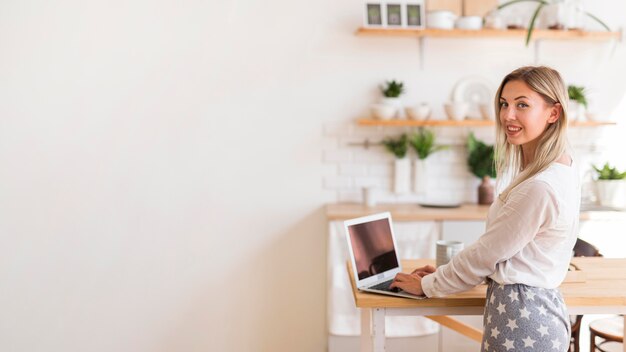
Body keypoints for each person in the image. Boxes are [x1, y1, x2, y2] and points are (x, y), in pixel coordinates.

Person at [390, 66, 580, 352]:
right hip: (534, 315)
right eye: (504, 104)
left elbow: (486, 255)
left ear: (553, 113)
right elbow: (510, 254)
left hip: (522, 320)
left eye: (522, 105)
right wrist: (443, 274)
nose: (508, 115)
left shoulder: (539, 186)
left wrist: (429, 285)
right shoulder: (559, 169)